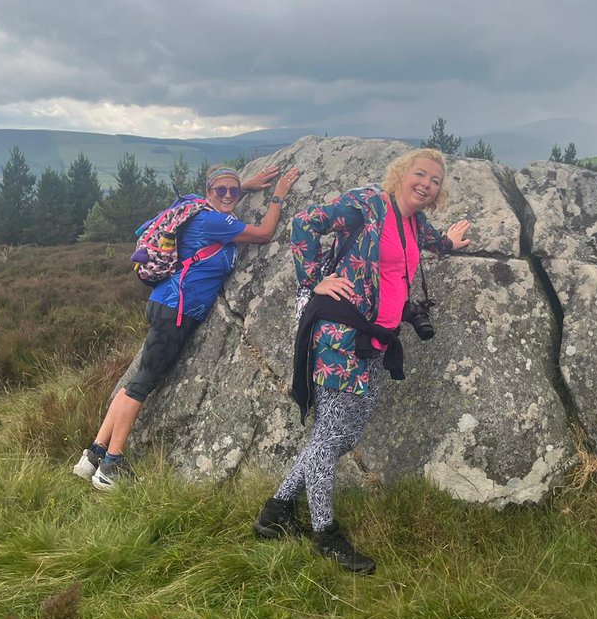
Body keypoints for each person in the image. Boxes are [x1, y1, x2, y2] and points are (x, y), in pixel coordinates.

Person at [254, 148, 471, 573]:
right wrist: (314, 280)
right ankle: (324, 533)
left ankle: (276, 512)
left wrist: (449, 243)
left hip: (374, 340)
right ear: (402, 174)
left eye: (434, 181)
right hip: (340, 334)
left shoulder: (414, 222)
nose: (426, 184)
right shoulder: (368, 203)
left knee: (337, 434)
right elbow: (304, 224)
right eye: (420, 174)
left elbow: (427, 243)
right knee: (332, 436)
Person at [74, 164, 301, 491]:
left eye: (232, 191)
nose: (226, 196)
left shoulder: (195, 206)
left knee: (138, 379)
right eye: (220, 191)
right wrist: (278, 194)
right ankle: (112, 466)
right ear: (208, 193)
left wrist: (245, 185)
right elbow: (264, 234)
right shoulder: (213, 220)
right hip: (176, 310)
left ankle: (93, 456)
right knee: (142, 384)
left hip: (166, 302)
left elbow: (219, 197)